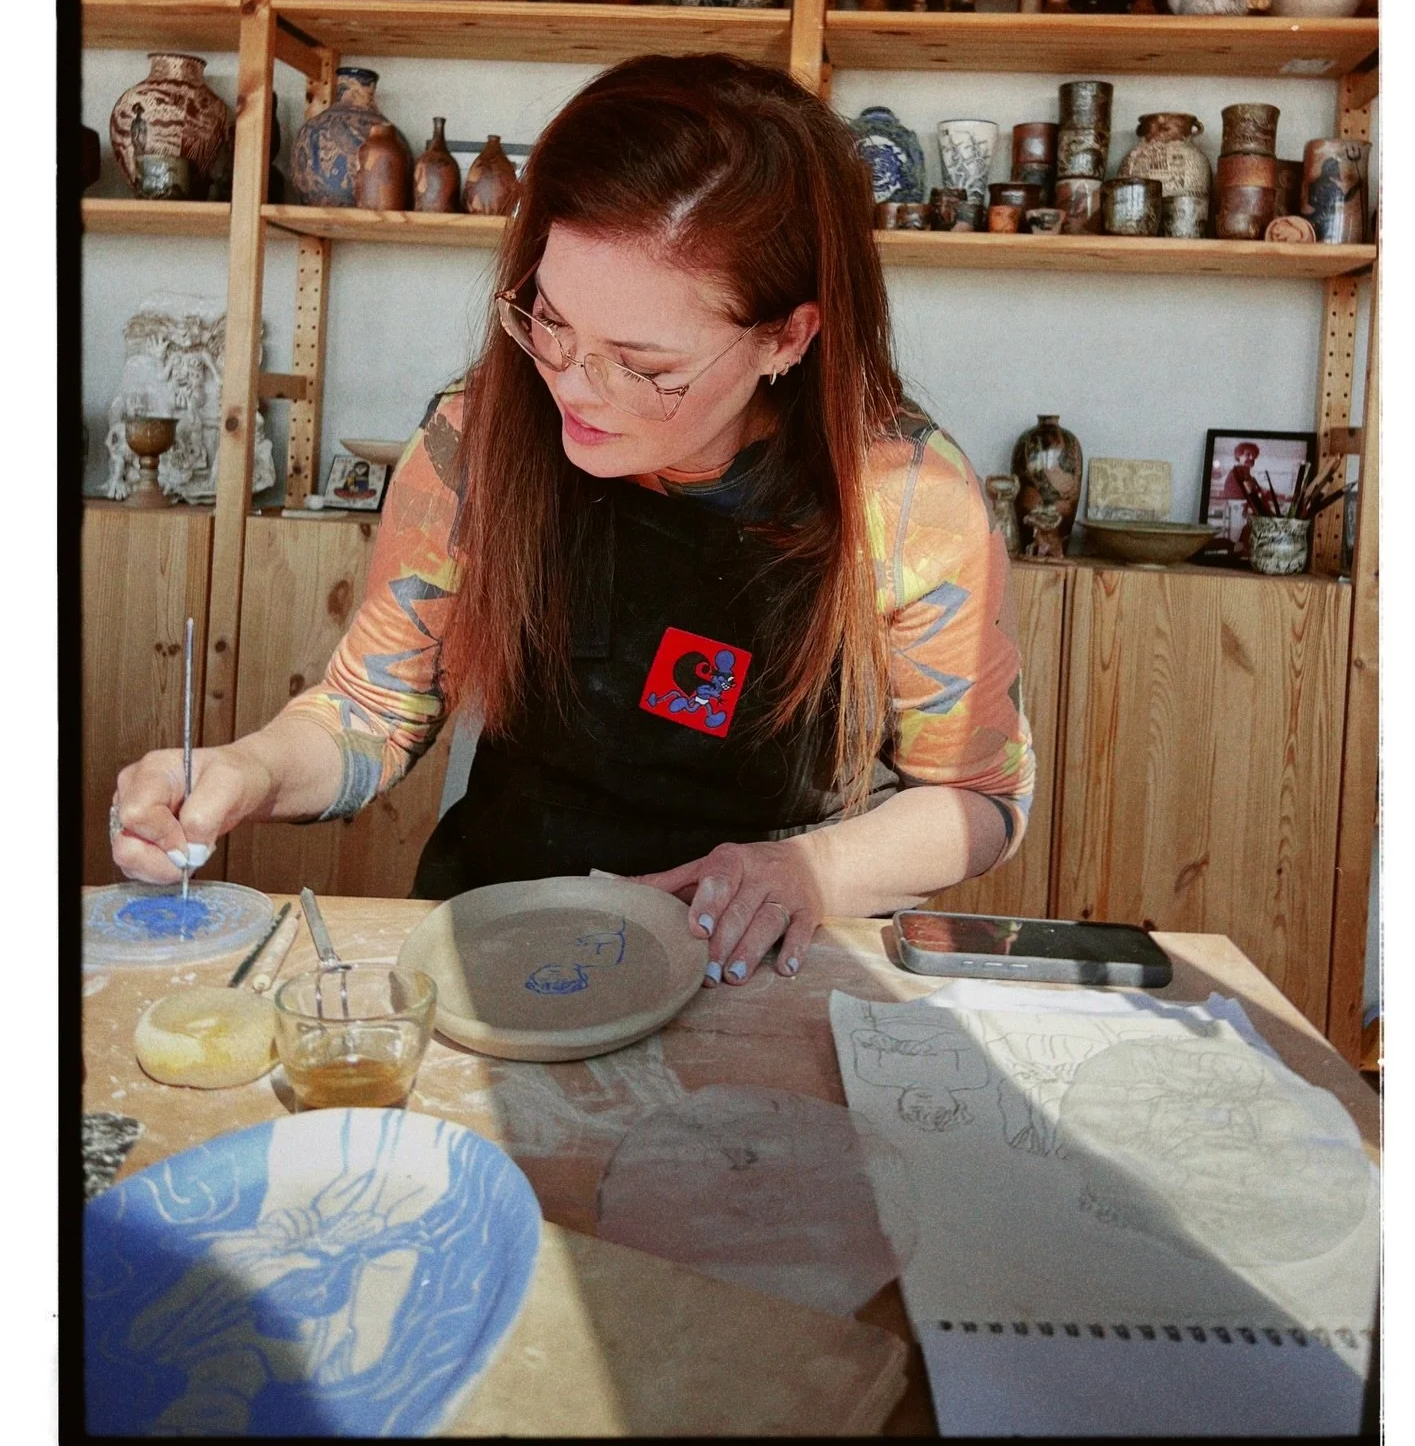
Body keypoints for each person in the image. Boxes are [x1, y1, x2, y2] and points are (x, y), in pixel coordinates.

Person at [111, 56, 1035, 988]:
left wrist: (811, 869)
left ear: (786, 339)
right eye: (549, 322)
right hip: (508, 937)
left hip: (765, 968)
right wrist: (252, 769)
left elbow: (980, 797)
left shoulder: (909, 496)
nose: (572, 387)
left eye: (642, 363)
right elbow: (373, 709)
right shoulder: (478, 435)